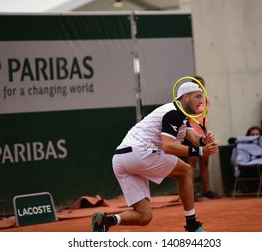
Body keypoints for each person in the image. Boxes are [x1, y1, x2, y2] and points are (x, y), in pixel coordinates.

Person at [91, 81, 218, 232]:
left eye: (202, 97)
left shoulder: (181, 115)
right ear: (185, 97)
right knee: (185, 171)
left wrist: (204, 141)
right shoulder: (173, 113)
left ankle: (105, 221)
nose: (201, 100)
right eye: (197, 96)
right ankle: (192, 226)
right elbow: (168, 146)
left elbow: (195, 138)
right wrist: (202, 152)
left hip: (121, 160)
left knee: (144, 216)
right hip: (139, 153)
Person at [182, 76, 220, 201]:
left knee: (205, 163)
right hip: (191, 134)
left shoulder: (206, 100)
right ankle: (190, 193)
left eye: (202, 85)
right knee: (191, 164)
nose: (201, 87)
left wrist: (206, 132)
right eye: (198, 85)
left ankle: (207, 191)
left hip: (204, 135)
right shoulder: (188, 101)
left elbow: (203, 117)